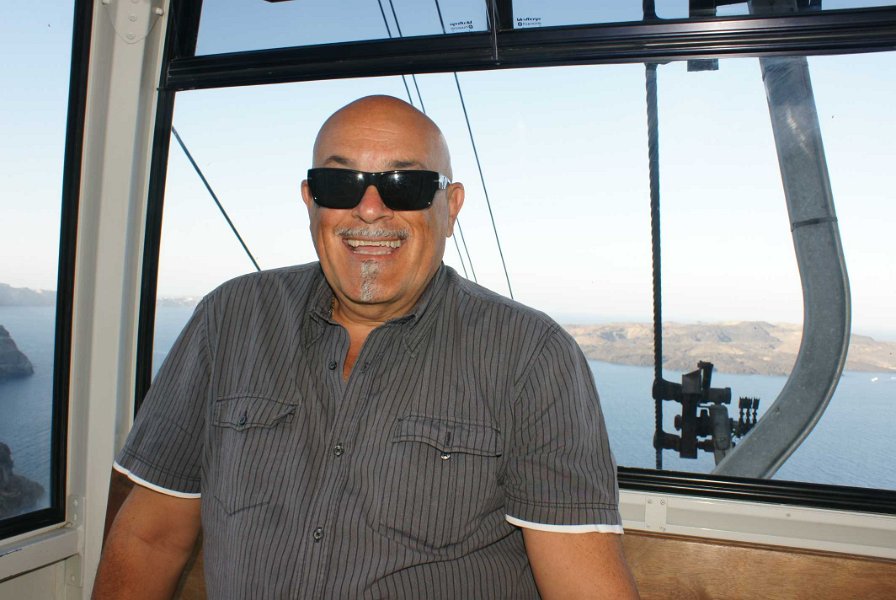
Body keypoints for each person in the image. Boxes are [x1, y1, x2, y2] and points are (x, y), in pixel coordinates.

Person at [93, 95, 640, 599]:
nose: (371, 209)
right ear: (311, 201)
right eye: (340, 184)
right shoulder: (230, 319)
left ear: (450, 207)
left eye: (405, 184)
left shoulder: (531, 357)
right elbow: (150, 538)